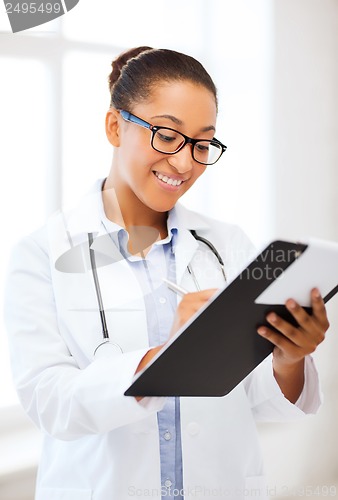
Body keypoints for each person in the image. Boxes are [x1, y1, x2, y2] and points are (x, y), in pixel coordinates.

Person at [4, 46, 330, 500]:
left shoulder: (227, 244)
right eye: (167, 135)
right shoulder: (41, 253)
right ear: (115, 126)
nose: (184, 162)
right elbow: (51, 403)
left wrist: (289, 356)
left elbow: (261, 399)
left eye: (201, 142)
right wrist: (168, 358)